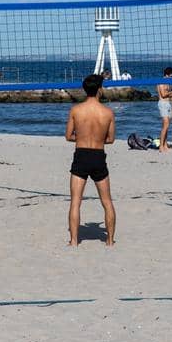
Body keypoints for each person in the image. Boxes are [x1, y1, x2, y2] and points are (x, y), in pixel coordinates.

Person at [65, 74, 116, 246]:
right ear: (100, 89)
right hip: (98, 156)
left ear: (85, 90)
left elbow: (68, 136)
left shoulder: (76, 110)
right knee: (107, 202)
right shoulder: (108, 112)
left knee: (76, 201)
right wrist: (97, 139)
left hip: (81, 155)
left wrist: (81, 139)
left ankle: (73, 241)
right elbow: (110, 139)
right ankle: (109, 241)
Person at [155, 67, 172, 150]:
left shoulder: (167, 82)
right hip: (163, 104)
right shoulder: (161, 82)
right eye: (171, 76)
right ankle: (161, 146)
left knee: (166, 126)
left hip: (168, 103)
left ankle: (165, 144)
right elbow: (163, 94)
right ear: (166, 75)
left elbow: (168, 94)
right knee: (165, 125)